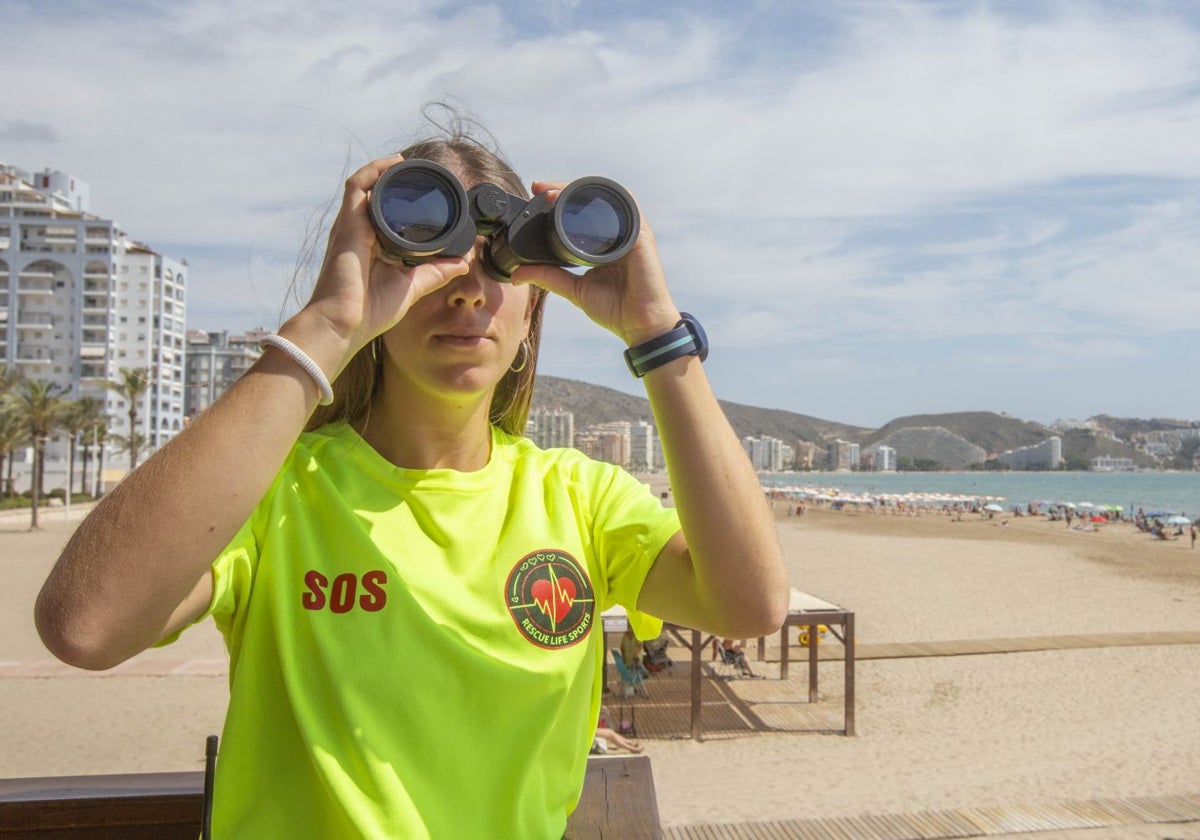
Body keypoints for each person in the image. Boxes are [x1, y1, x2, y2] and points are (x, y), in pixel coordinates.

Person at [33, 113, 788, 839]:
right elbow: (86, 627)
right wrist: (329, 325)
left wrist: (657, 336)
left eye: (501, 260)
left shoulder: (578, 499)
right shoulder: (275, 493)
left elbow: (750, 602)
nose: (465, 288)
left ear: (534, 311)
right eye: (428, 251)